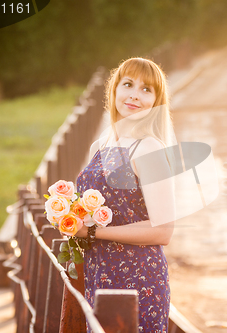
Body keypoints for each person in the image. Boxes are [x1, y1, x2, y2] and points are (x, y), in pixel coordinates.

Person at [75, 56, 176, 333]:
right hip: (99, 273)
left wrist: (94, 232)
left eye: (146, 90)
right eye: (128, 84)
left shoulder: (149, 148)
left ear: (156, 101)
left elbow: (164, 231)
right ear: (115, 89)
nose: (134, 95)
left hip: (137, 279)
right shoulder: (102, 143)